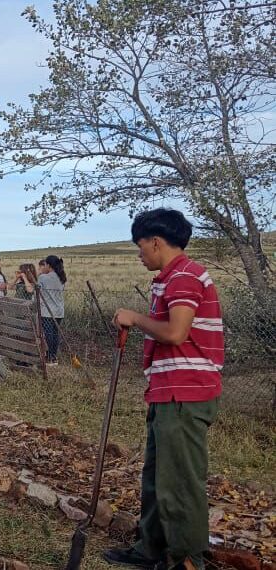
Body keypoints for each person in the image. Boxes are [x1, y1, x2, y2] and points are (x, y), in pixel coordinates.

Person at [105, 209, 223, 570]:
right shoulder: (169, 279)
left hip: (185, 394)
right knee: (157, 475)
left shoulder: (185, 277)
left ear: (156, 241)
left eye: (141, 246)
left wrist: (136, 318)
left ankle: (185, 560)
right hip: (167, 390)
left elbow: (175, 333)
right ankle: (151, 549)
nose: (140, 254)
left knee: (179, 481)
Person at [37, 256, 66, 364]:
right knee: (55, 334)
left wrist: (40, 273)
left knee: (48, 334)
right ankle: (54, 357)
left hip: (47, 311)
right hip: (59, 311)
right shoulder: (61, 278)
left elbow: (37, 289)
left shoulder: (43, 277)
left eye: (45, 265)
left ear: (48, 265)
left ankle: (50, 358)